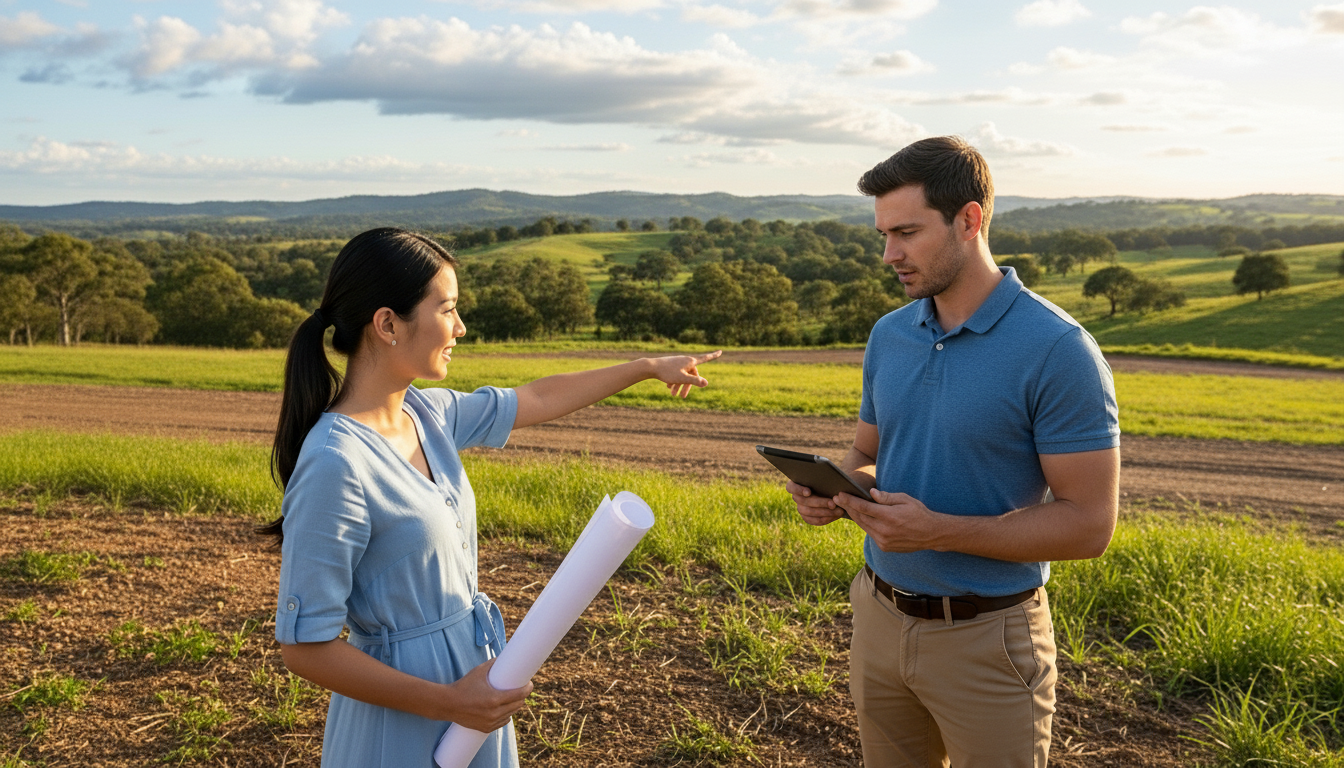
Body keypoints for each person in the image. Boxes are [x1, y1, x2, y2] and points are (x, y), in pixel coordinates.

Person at [261, 227, 720, 768]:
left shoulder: (429, 414)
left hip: (475, 694)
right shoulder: (336, 462)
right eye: (447, 309)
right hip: (402, 720)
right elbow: (305, 648)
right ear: (387, 324)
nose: (460, 327)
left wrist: (646, 368)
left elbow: (538, 396)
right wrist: (451, 702)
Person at [788, 137, 1120, 768]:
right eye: (883, 234)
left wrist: (936, 531)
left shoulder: (1059, 351)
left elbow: (1088, 525)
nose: (890, 254)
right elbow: (865, 450)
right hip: (878, 616)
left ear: (969, 220)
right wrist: (836, 486)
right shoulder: (890, 334)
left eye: (907, 232)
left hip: (988, 638)